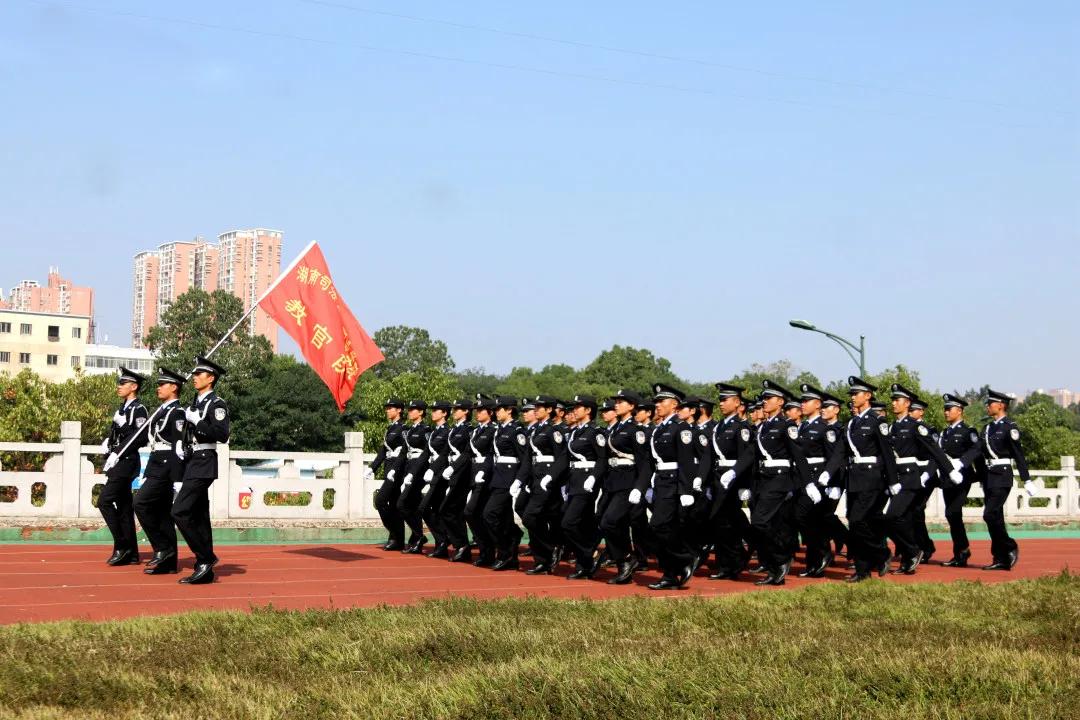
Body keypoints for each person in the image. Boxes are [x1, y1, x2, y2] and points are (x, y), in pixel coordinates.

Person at [734, 380, 811, 586]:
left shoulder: (786, 426)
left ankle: (779, 561)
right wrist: (734, 472)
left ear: (780, 402)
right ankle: (775, 566)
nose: (765, 402)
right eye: (764, 398)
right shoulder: (763, 427)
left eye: (769, 399)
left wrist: (808, 483)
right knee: (771, 526)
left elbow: (799, 456)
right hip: (762, 480)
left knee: (759, 522)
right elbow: (751, 453)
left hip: (779, 480)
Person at [821, 376, 897, 582]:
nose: (853, 398)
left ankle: (882, 554)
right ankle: (862, 571)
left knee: (858, 521)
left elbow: (887, 453)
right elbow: (840, 452)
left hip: (872, 478)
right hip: (853, 479)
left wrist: (892, 480)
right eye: (852, 394)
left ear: (868, 396)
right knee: (855, 525)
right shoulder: (851, 423)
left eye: (856, 394)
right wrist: (828, 472)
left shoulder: (877, 421)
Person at [884, 384, 956, 574]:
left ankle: (913, 550)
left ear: (907, 403)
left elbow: (935, 450)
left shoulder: (916, 427)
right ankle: (909, 559)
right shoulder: (891, 427)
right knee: (905, 519)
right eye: (892, 400)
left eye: (896, 400)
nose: (893, 403)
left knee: (891, 517)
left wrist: (949, 470)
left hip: (910, 478)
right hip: (897, 479)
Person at [173, 356, 229, 585]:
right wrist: (181, 443)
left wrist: (198, 422)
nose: (194, 378)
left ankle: (206, 557)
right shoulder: (195, 404)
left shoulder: (216, 404)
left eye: (199, 374)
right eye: (194, 374)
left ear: (211, 378)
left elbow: (221, 435)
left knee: (179, 511)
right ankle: (205, 570)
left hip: (205, 460)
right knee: (199, 516)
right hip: (192, 459)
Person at [641, 383, 698, 590]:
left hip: (674, 483)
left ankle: (684, 559)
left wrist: (686, 491)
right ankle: (671, 572)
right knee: (662, 528)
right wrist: (641, 487)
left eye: (661, 401)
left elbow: (686, 461)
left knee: (659, 526)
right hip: (661, 482)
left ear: (674, 405)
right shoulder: (659, 429)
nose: (657, 405)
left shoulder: (681, 428)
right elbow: (650, 462)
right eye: (656, 402)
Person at [133, 367, 186, 575]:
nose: (158, 388)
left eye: (162, 384)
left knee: (140, 502)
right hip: (155, 463)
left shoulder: (178, 413)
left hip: (166, 466)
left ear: (173, 387)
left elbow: (177, 447)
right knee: (163, 513)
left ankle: (162, 548)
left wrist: (177, 477)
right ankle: (169, 563)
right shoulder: (161, 411)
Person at [978, 389, 1036, 570]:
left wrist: (1027, 480)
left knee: (989, 514)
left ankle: (1009, 546)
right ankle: (1000, 557)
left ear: (1001, 405)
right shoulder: (987, 428)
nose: (988, 406)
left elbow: (1019, 455)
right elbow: (980, 454)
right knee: (996, 518)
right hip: (988, 476)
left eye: (991, 403)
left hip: (1003, 476)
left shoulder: (1010, 427)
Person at [98, 366, 149, 566]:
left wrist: (124, 426)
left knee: (104, 501)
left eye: (123, 383)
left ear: (134, 387)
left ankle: (121, 545)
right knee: (125, 507)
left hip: (126, 463)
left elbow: (140, 437)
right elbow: (120, 435)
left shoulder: (139, 409)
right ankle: (132, 553)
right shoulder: (122, 408)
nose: (119, 386)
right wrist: (108, 443)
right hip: (117, 461)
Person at [597, 389, 648, 584]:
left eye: (621, 401)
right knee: (606, 521)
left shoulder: (636, 430)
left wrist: (640, 487)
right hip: (611, 482)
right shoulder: (614, 429)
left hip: (628, 483)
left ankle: (627, 558)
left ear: (632, 406)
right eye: (616, 401)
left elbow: (644, 463)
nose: (616, 404)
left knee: (610, 521)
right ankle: (623, 564)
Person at [706, 383, 756, 580]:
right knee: (720, 524)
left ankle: (734, 564)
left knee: (730, 524)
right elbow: (711, 457)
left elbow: (747, 456)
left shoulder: (741, 427)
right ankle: (727, 564)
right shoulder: (718, 427)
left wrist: (742, 483)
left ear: (737, 403)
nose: (721, 403)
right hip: (719, 479)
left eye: (725, 400)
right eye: (720, 400)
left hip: (733, 481)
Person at [560, 395, 608, 579]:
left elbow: (602, 458)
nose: (574, 410)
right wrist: (551, 477)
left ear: (588, 410)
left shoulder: (595, 432)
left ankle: (589, 553)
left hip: (587, 483)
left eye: (578, 407)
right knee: (583, 524)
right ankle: (585, 564)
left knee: (569, 522)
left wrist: (593, 478)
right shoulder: (574, 432)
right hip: (574, 481)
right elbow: (564, 459)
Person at [792, 384, 837, 578]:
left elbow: (835, 457)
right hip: (800, 478)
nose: (802, 404)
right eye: (801, 401)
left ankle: (822, 553)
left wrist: (832, 483)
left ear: (817, 404)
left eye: (806, 401)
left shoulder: (824, 428)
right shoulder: (801, 426)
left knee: (804, 518)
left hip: (817, 480)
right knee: (806, 520)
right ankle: (815, 560)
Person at [521, 395, 569, 575]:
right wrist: (521, 480)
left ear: (549, 410)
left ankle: (549, 551)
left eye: (540, 407)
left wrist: (551, 477)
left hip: (547, 481)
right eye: (536, 407)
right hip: (535, 478)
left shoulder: (553, 431)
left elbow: (561, 458)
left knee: (530, 517)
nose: (536, 409)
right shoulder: (534, 430)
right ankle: (544, 559)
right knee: (543, 517)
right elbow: (528, 459)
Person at [937, 393, 984, 567]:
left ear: (959, 411)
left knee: (952, 513)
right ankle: (960, 552)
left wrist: (976, 472)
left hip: (963, 478)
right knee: (951, 516)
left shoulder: (968, 431)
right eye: (945, 409)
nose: (946, 412)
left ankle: (962, 550)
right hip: (947, 479)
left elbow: (977, 450)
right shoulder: (945, 433)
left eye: (949, 409)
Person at [484, 396, 530, 570]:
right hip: (497, 477)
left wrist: (519, 480)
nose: (496, 412)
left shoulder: (516, 430)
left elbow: (524, 458)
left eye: (499, 409)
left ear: (509, 410)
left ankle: (505, 552)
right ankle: (510, 551)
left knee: (490, 514)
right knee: (502, 519)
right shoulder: (499, 429)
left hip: (508, 479)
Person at [438, 399, 475, 562]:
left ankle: (462, 545)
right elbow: (445, 452)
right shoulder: (454, 430)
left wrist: (454, 468)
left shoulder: (469, 430)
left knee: (449, 509)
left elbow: (467, 453)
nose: (454, 411)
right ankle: (461, 546)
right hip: (453, 471)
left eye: (458, 409)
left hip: (464, 472)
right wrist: (434, 470)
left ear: (466, 411)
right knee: (453, 510)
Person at [465, 395, 498, 566]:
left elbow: (492, 455)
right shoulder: (476, 431)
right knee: (476, 514)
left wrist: (483, 472)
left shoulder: (493, 430)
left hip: (486, 477)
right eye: (476, 411)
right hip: (474, 474)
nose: (477, 413)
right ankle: (486, 551)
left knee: (472, 512)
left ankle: (490, 550)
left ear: (490, 413)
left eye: (481, 410)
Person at [371, 398, 408, 551]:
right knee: (393, 505)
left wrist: (396, 469)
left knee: (380, 500)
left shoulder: (403, 428)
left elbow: (405, 450)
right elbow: (383, 451)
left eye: (391, 408)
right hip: (389, 468)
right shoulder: (390, 428)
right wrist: (372, 468)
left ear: (399, 410)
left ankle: (395, 534)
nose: (388, 410)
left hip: (397, 470)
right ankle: (396, 539)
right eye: (387, 408)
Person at [395, 400, 431, 554]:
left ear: (421, 412)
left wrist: (417, 471)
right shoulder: (409, 431)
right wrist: (395, 470)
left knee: (402, 504)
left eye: (413, 410)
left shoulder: (426, 429)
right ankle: (416, 540)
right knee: (413, 505)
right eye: (409, 410)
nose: (409, 412)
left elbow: (428, 452)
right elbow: (404, 453)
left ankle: (419, 536)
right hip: (409, 467)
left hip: (420, 469)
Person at [419, 401, 452, 558]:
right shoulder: (433, 432)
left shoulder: (447, 432)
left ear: (444, 413)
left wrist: (433, 470)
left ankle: (443, 539)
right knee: (437, 508)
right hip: (433, 472)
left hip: (442, 473)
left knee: (424, 507)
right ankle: (443, 541)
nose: (433, 413)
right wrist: (414, 473)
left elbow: (445, 454)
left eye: (436, 410)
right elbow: (426, 454)